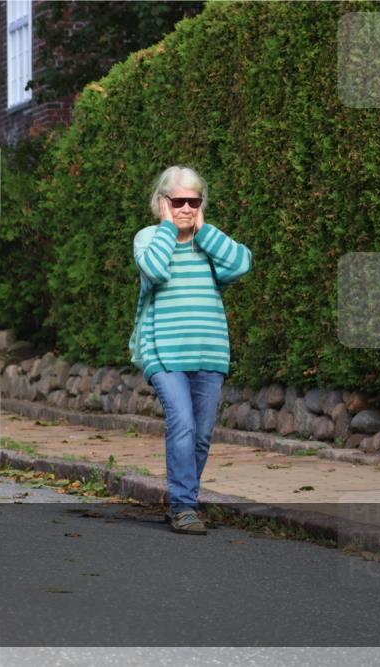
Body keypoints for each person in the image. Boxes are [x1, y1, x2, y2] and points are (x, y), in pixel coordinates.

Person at [130, 165, 252, 535]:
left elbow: (241, 264)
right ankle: (184, 507)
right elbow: (155, 270)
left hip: (209, 352)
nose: (185, 208)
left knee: (200, 434)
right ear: (162, 203)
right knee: (182, 423)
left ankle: (185, 501)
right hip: (163, 352)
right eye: (178, 201)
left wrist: (204, 230)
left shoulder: (209, 243)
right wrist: (169, 227)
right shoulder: (149, 238)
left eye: (193, 202)